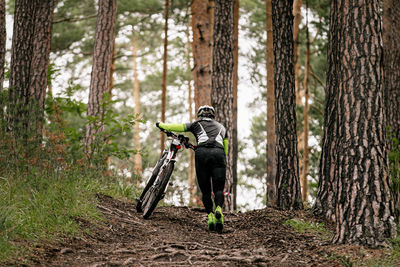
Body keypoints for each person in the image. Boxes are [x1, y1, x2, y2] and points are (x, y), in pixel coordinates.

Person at [156, 105, 228, 232]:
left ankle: (211, 217)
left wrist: (162, 125)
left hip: (202, 153)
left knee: (205, 191)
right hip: (219, 154)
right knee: (218, 189)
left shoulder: (196, 124)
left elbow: (179, 127)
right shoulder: (222, 128)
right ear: (213, 116)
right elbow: (226, 150)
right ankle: (219, 211)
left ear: (200, 115)